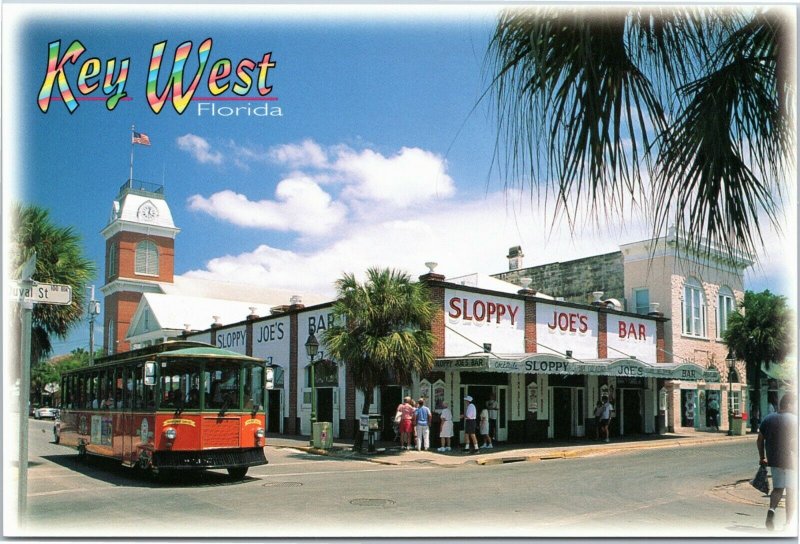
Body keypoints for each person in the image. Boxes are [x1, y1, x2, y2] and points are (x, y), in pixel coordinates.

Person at [757, 392, 797, 531]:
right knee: (791, 492)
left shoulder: (768, 419)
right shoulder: (795, 420)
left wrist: (762, 457)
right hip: (792, 462)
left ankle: (772, 510)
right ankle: (788, 524)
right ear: (790, 404)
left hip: (774, 461)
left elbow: (760, 439)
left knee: (778, 489)